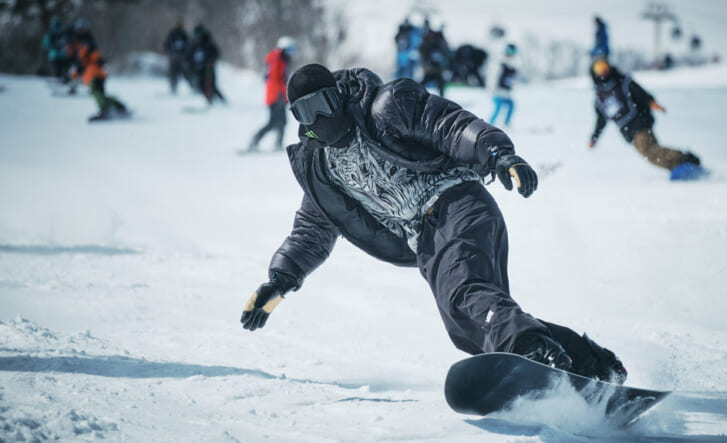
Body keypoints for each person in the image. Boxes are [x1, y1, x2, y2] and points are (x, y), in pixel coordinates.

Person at [240, 63, 628, 385]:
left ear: (338, 96)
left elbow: (451, 126)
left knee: (464, 292)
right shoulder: (321, 170)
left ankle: (534, 351)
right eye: (305, 114)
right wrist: (279, 281)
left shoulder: (386, 106)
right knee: (469, 329)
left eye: (323, 104)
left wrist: (498, 155)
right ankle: (591, 365)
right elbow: (312, 231)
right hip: (424, 238)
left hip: (456, 203)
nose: (319, 120)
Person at [588, 58, 702, 177]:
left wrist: (650, 102)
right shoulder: (599, 98)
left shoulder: (622, 82)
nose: (602, 71)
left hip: (639, 122)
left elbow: (640, 93)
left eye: (604, 67)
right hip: (628, 131)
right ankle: (681, 164)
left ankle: (684, 161)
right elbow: (601, 120)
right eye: (598, 68)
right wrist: (594, 138)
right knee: (652, 152)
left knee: (649, 151)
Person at [247, 36, 296, 152]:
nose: (292, 54)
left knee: (282, 122)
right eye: (290, 50)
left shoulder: (280, 60)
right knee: (273, 122)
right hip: (276, 96)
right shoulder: (278, 60)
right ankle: (255, 140)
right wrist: (281, 95)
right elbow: (275, 79)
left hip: (278, 96)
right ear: (284, 49)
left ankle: (278, 143)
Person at [71, 42, 129, 122]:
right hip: (100, 77)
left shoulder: (87, 57)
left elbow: (89, 57)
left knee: (97, 94)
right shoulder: (87, 60)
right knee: (101, 95)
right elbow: (75, 73)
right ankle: (119, 106)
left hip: (93, 78)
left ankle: (104, 110)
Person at [189, 24, 225, 104]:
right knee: (201, 85)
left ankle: (218, 100)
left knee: (211, 85)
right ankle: (209, 99)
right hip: (199, 67)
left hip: (209, 67)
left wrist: (211, 60)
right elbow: (190, 54)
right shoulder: (194, 42)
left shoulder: (208, 41)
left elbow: (216, 53)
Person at [489, 43, 518, 126]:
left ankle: (506, 123)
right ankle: (490, 124)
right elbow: (493, 77)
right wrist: (493, 90)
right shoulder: (500, 62)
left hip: (506, 92)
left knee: (511, 106)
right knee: (498, 107)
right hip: (497, 91)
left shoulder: (513, 63)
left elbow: (513, 78)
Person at [418, 24, 449, 96]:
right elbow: (422, 53)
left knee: (440, 84)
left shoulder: (439, 43)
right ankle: (418, 95)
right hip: (429, 69)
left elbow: (445, 51)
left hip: (437, 69)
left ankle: (442, 98)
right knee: (424, 83)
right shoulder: (425, 44)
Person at [163, 20, 191, 94]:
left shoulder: (183, 34)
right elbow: (167, 44)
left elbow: (188, 45)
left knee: (185, 73)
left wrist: (185, 54)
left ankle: (193, 88)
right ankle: (173, 88)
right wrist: (169, 52)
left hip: (180, 57)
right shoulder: (172, 34)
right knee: (173, 74)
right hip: (174, 57)